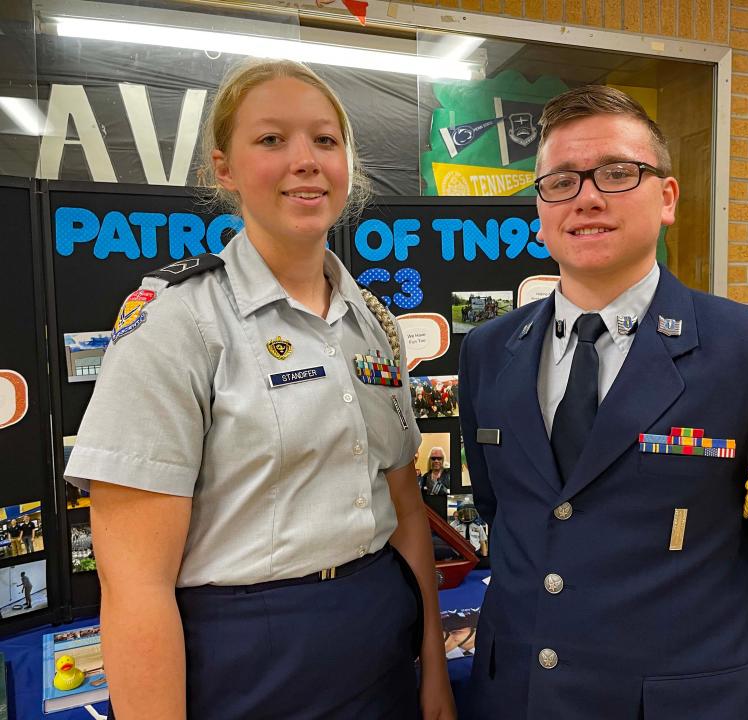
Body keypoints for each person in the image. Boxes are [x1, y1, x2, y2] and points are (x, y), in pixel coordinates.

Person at [65, 59, 455, 720]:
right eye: (272, 140)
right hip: (251, 664)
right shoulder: (178, 320)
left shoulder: (372, 324)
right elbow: (134, 585)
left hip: (382, 647)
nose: (305, 160)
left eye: (325, 140)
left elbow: (405, 507)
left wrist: (434, 673)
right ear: (225, 169)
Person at [458, 85, 748, 719]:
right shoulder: (489, 350)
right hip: (518, 696)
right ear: (540, 209)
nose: (586, 196)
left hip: (686, 698)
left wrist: (727, 662)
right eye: (560, 182)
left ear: (667, 197)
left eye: (616, 173)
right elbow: (505, 512)